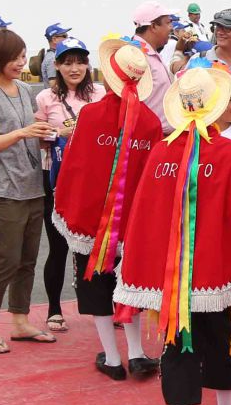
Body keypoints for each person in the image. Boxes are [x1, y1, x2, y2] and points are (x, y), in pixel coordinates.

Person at [115, 59, 231, 405]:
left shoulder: (162, 152)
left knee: (178, 349)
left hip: (171, 280)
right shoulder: (230, 151)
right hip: (216, 272)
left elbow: (144, 215)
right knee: (221, 340)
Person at [49, 37, 161, 381]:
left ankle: (113, 359)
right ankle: (138, 353)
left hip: (92, 221)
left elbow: (73, 168)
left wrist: (69, 205)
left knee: (95, 281)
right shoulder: (150, 123)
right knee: (128, 282)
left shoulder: (91, 115)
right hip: (131, 223)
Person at [0, 28, 56, 353]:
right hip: (4, 191)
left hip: (32, 186)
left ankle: (20, 320)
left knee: (27, 260)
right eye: (15, 58)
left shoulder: (24, 88)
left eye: (23, 56)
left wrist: (48, 131)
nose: (22, 62)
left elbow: (33, 129)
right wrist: (22, 133)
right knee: (5, 260)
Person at [31, 37, 103, 339]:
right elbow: (39, 135)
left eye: (80, 61)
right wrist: (58, 132)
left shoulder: (100, 93)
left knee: (100, 247)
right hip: (58, 180)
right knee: (58, 247)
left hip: (94, 181)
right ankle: (54, 308)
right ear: (57, 65)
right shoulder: (46, 98)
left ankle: (106, 305)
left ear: (88, 64)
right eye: (67, 62)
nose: (74, 68)